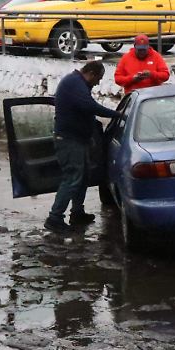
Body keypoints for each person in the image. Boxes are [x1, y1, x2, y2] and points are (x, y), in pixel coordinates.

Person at [45, 61, 122, 233]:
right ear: (91, 73)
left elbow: (82, 110)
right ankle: (55, 218)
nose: (98, 83)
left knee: (83, 177)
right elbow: (90, 107)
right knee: (72, 178)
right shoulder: (74, 83)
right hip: (68, 140)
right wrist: (117, 115)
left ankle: (77, 213)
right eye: (98, 78)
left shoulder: (77, 83)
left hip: (78, 139)